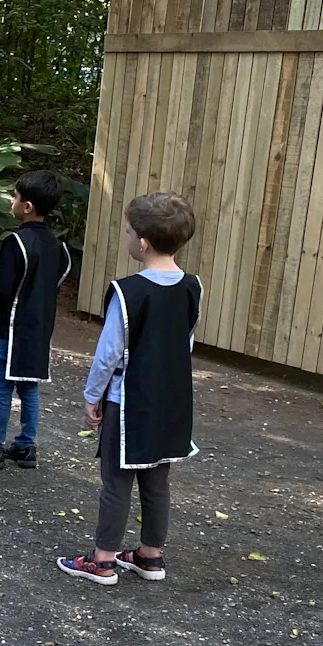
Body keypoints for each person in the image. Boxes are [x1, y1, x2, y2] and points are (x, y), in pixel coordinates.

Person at [58, 192, 201, 586]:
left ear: (142, 242)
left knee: (116, 482)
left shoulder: (127, 291)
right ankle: (150, 555)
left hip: (129, 401)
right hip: (171, 401)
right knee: (157, 481)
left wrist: (92, 397)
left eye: (127, 231)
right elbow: (184, 341)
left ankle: (102, 560)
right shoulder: (192, 286)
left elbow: (108, 355)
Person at [0, 170, 69, 470]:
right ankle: (26, 446)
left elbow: (3, 290)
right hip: (39, 331)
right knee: (29, 388)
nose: (12, 201)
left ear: (27, 207)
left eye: (15, 197)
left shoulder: (16, 243)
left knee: (1, 387)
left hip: (8, 328)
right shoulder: (60, 248)